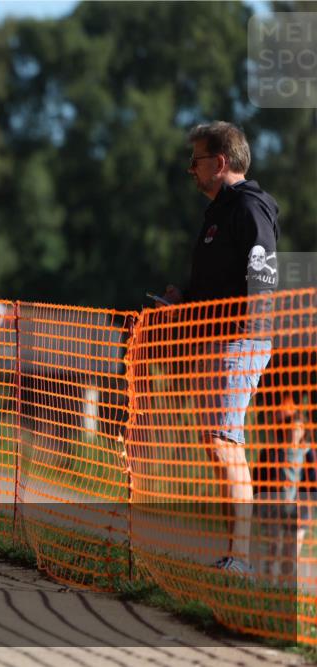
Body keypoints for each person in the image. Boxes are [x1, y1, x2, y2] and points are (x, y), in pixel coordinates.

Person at [159, 121, 279, 574]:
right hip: (216, 338)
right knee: (217, 440)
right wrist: (185, 300)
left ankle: (240, 559)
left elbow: (261, 278)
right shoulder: (219, 212)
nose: (191, 169)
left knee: (224, 439)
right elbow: (219, 281)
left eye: (197, 160)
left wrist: (243, 329)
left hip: (240, 338)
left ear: (220, 162)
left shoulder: (248, 207)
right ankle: (236, 555)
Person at [253, 394, 314, 583]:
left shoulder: (308, 453)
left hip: (298, 510)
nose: (294, 432)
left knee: (291, 555)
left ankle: (286, 589)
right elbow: (258, 480)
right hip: (275, 509)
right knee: (273, 550)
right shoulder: (271, 452)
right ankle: (269, 587)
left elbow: (313, 480)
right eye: (291, 428)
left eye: (298, 428)